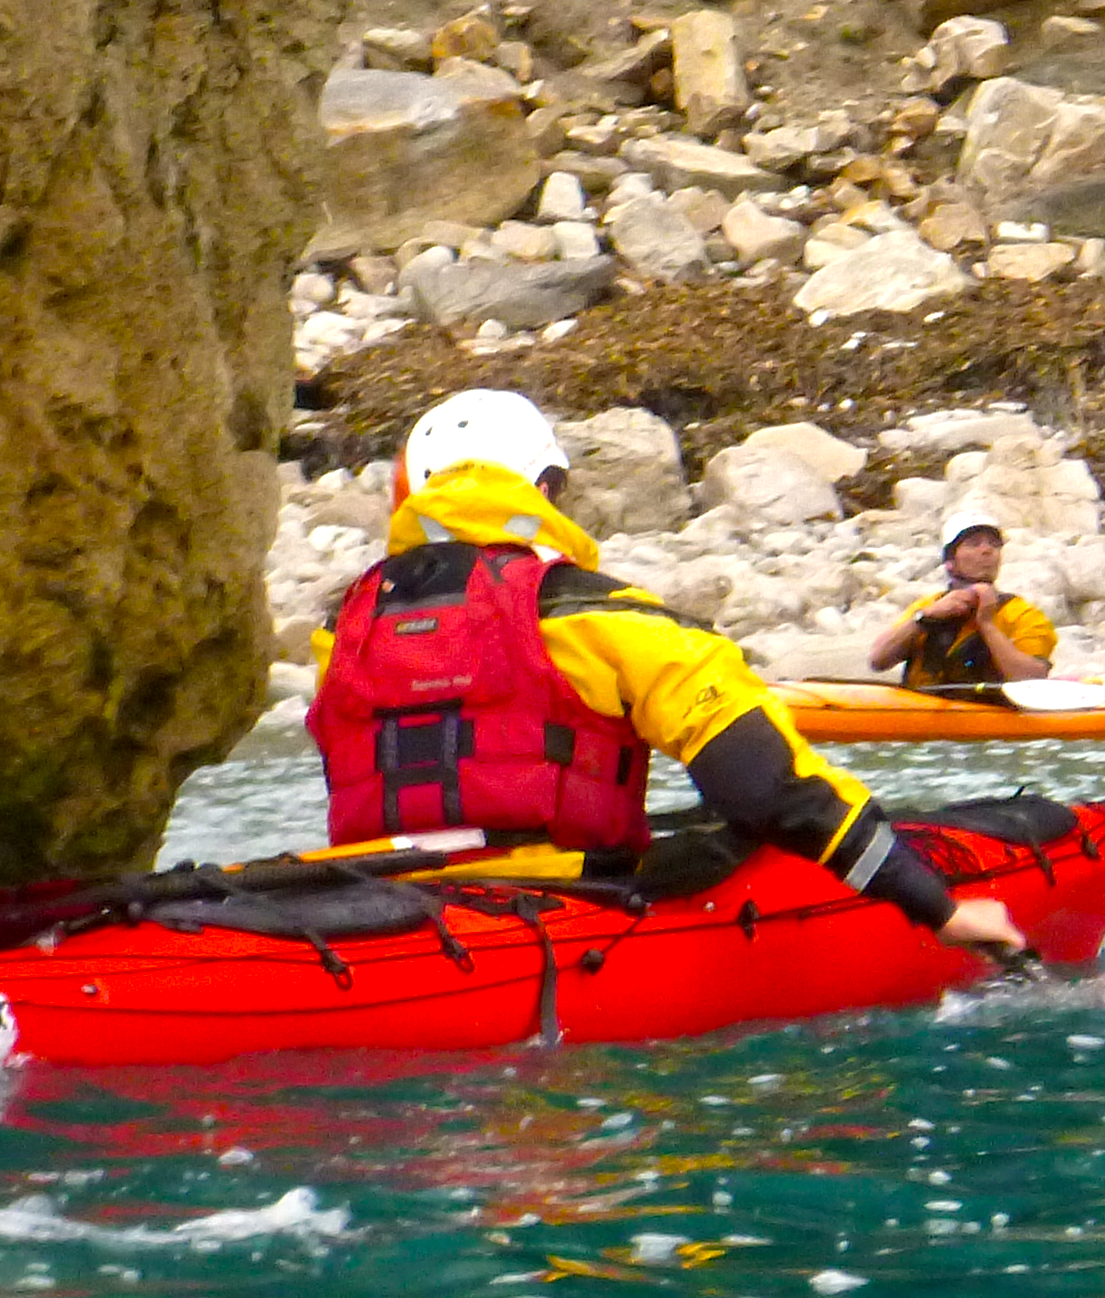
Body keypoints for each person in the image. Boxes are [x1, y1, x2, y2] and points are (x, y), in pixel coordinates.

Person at [305, 389, 1027, 956]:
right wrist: (941, 908)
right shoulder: (606, 619)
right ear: (546, 489)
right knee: (745, 828)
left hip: (373, 897)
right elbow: (766, 790)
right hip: (559, 904)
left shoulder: (342, 635)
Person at [867, 507, 1059, 690]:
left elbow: (1033, 681)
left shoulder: (1023, 614)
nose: (987, 550)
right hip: (925, 712)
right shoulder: (928, 606)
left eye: (993, 544)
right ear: (950, 561)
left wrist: (987, 624)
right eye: (973, 544)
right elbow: (878, 660)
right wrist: (926, 617)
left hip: (986, 716)